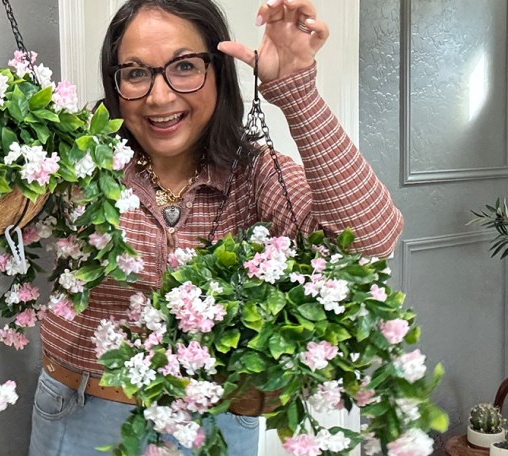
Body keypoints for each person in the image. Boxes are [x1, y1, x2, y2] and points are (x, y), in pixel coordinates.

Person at [30, 0, 404, 455]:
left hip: (216, 423)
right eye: (135, 72)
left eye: (184, 66)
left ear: (219, 72)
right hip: (83, 411)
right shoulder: (79, 164)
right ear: (115, 83)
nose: (159, 96)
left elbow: (371, 240)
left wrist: (296, 94)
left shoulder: (256, 174)